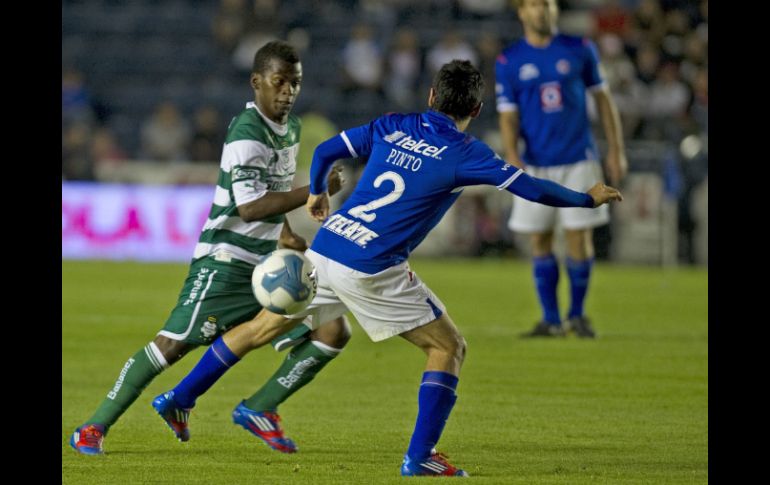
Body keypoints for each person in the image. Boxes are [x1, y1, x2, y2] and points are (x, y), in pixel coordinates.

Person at [151, 60, 622, 476]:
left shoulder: (394, 124)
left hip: (330, 246)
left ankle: (178, 398)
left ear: (432, 96)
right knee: (448, 347)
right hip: (373, 267)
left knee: (260, 328)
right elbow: (531, 189)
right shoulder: (468, 154)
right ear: (475, 112)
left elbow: (325, 152)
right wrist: (586, 197)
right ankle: (420, 456)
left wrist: (317, 192)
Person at [69, 40, 349, 455]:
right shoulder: (247, 132)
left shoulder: (290, 128)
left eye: (296, 83)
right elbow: (250, 206)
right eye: (280, 82)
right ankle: (92, 426)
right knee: (172, 345)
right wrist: (314, 190)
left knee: (333, 329)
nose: (288, 91)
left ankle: (256, 406)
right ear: (257, 82)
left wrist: (287, 233)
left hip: (270, 259)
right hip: (226, 259)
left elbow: (271, 189)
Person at [496, 0, 628, 338]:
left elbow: (603, 100)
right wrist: (512, 154)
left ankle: (577, 316)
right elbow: (508, 114)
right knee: (539, 240)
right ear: (522, 12)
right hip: (535, 163)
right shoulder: (509, 60)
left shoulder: (580, 48)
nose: (544, 11)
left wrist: (616, 150)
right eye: (536, 5)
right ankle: (551, 319)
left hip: (578, 158)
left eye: (549, 4)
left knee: (578, 239)